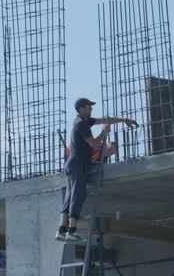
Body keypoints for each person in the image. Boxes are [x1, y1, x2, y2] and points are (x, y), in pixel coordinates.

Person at [57, 98, 137, 242]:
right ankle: (72, 230)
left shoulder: (84, 121)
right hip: (77, 164)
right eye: (89, 107)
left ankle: (62, 229)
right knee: (78, 194)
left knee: (70, 196)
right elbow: (94, 144)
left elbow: (104, 120)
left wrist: (124, 119)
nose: (91, 109)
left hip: (73, 164)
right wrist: (104, 133)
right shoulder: (81, 124)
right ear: (81, 108)